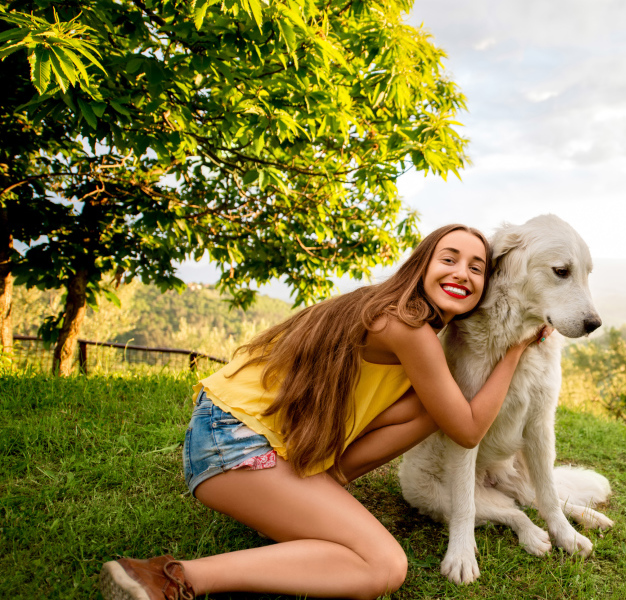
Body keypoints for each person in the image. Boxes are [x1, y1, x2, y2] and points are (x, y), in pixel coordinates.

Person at [99, 224, 550, 600]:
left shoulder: (398, 316)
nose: (462, 273)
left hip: (241, 438)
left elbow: (449, 415)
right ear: (421, 266)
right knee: (384, 566)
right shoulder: (407, 326)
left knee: (431, 408)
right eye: (448, 259)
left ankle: (323, 486)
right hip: (232, 441)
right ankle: (169, 577)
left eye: (477, 267)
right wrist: (515, 349)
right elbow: (469, 430)